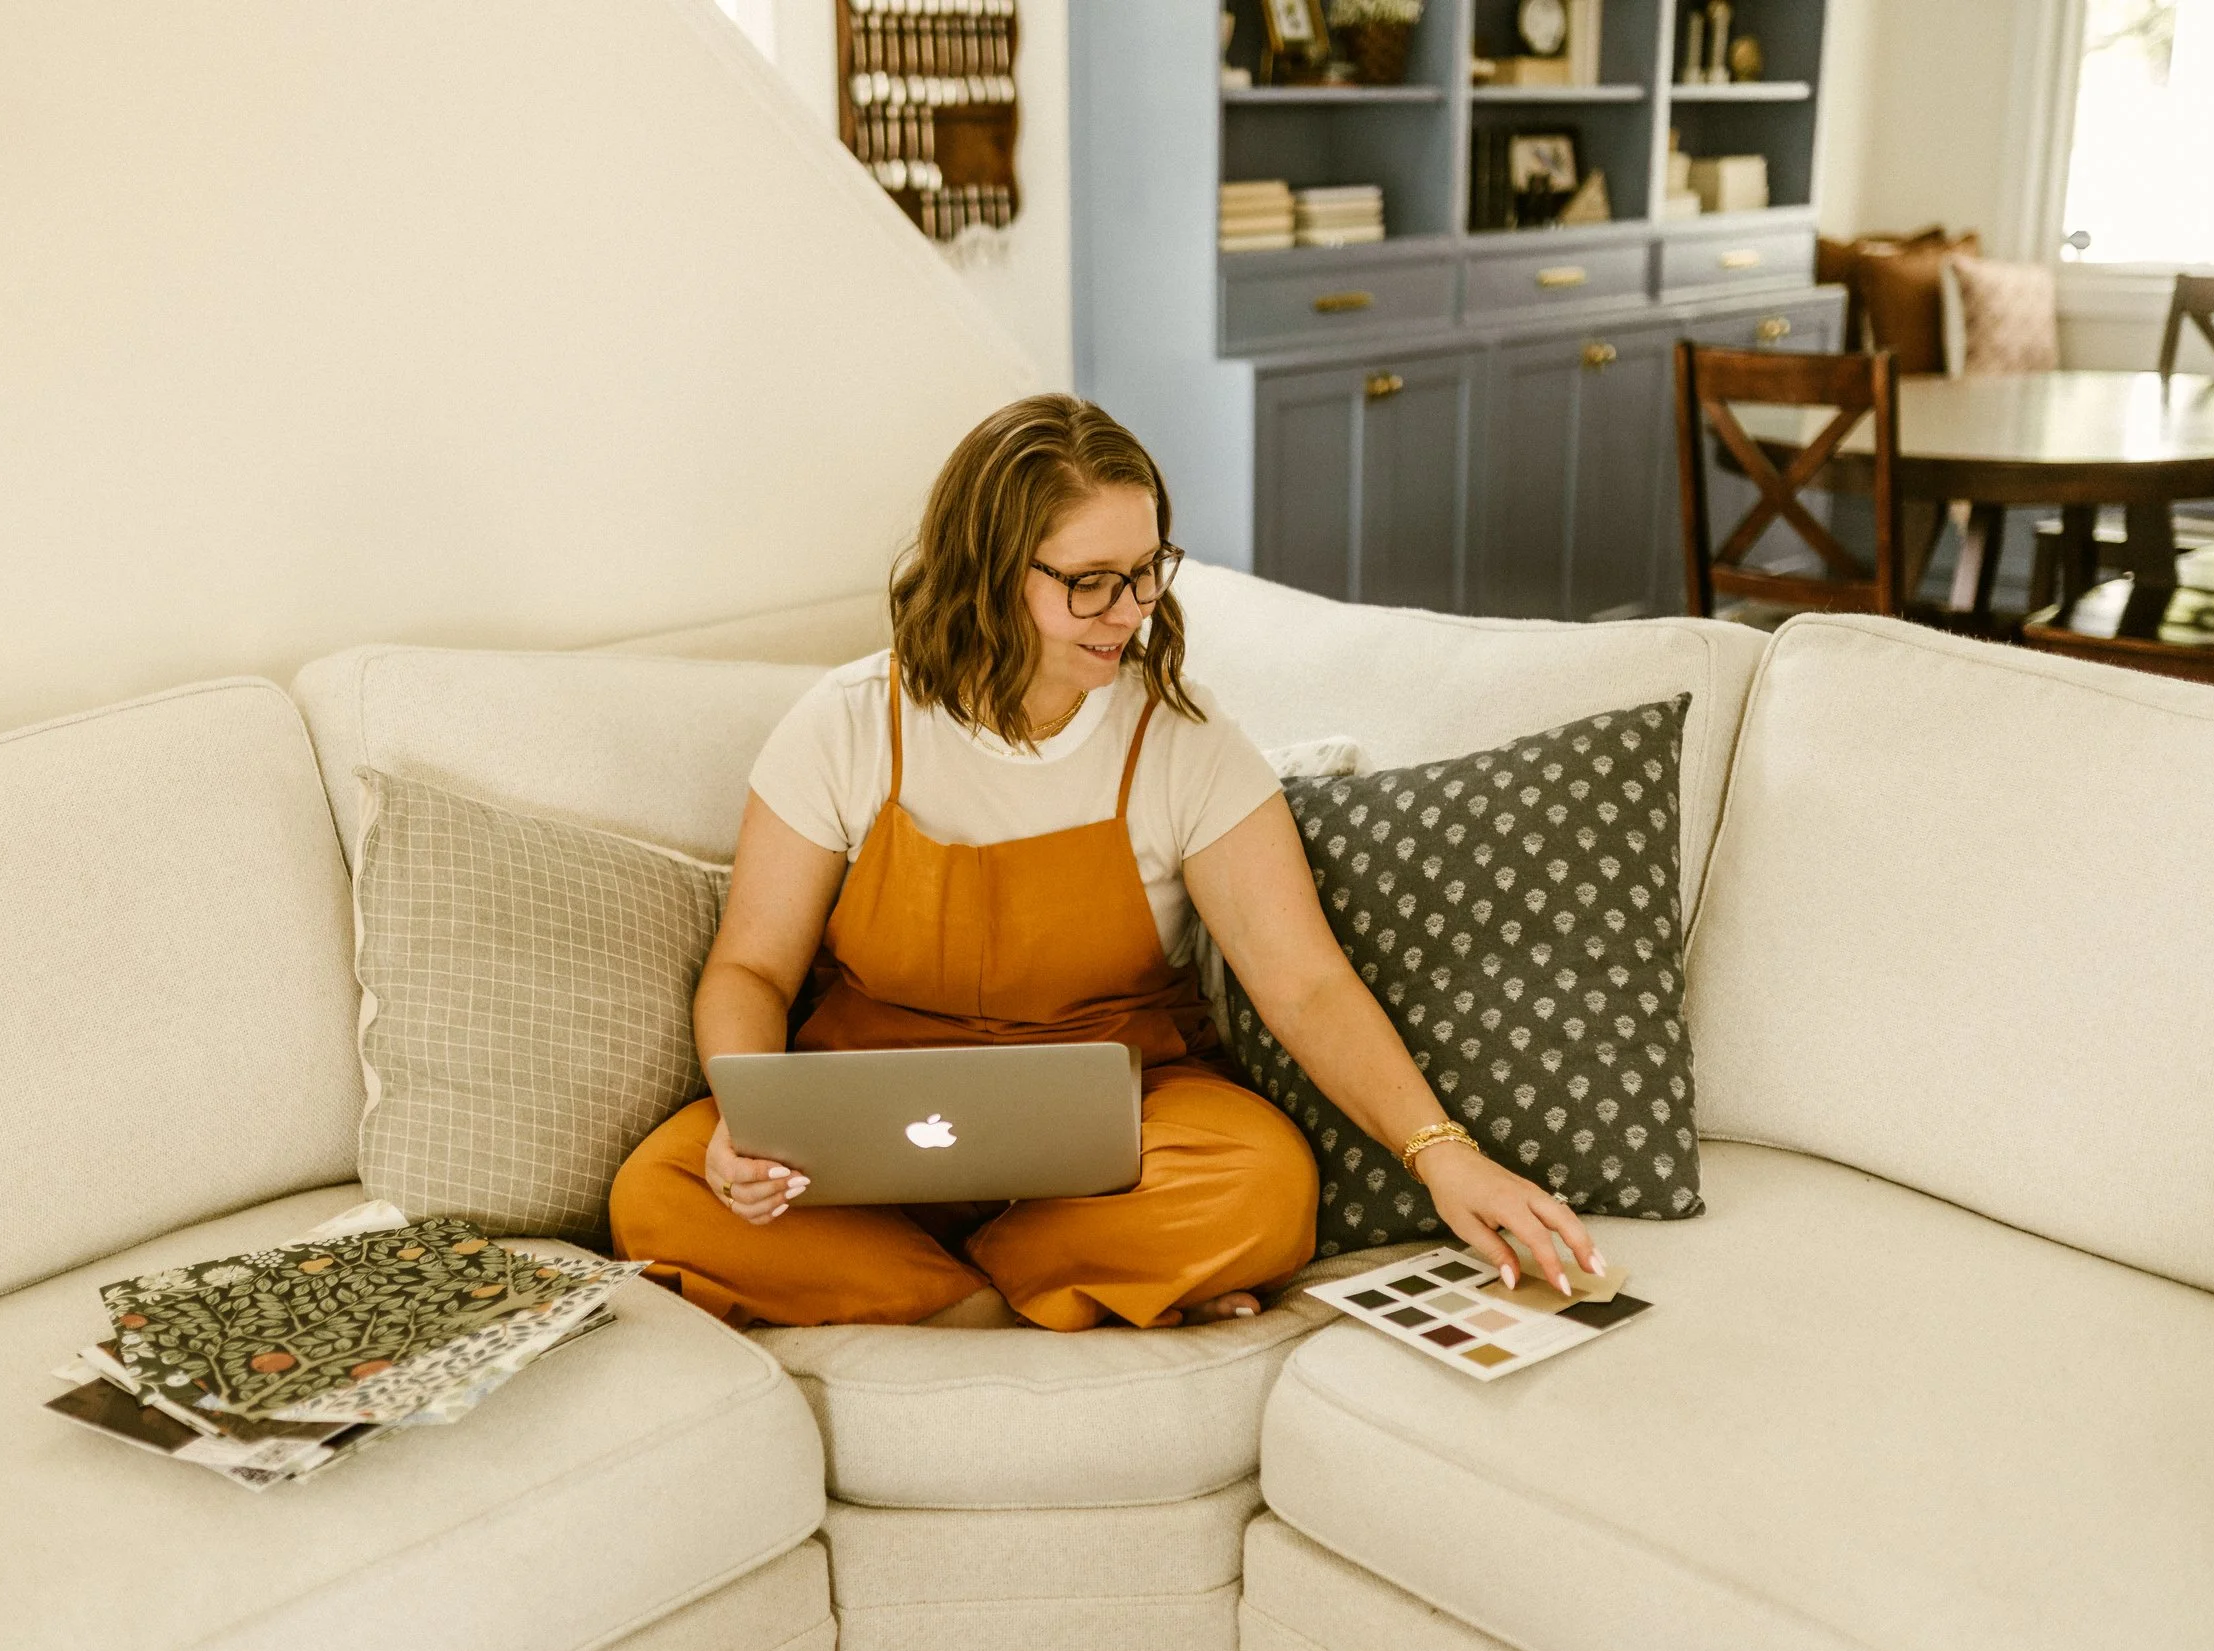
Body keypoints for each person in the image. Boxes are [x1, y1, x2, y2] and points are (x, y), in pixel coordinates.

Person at [609, 394, 1601, 1331]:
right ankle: (1060, 1293)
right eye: (1089, 580)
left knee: (1263, 1187)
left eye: (1146, 569)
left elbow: (1302, 982)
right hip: (875, 1131)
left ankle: (947, 1296)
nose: (1127, 609)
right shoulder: (847, 720)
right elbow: (751, 966)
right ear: (987, 566)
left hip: (1113, 1140)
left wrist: (1442, 1154)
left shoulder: (1182, 738)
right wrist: (750, 1118)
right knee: (661, 1190)